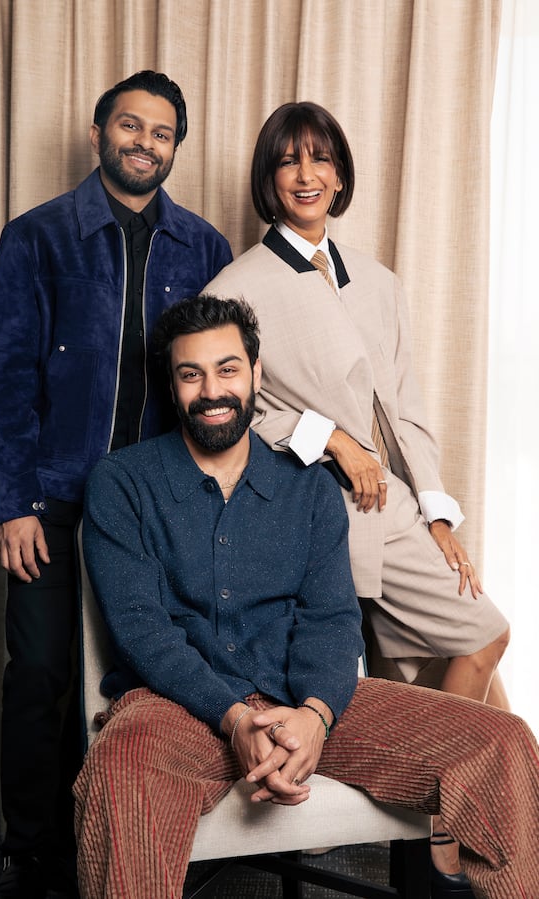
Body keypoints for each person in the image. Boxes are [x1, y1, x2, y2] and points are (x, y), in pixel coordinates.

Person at [74, 295, 538, 899]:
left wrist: (317, 715)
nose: (212, 390)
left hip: (304, 699)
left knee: (502, 742)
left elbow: (333, 620)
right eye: (192, 374)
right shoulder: (122, 482)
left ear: (256, 373)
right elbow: (142, 631)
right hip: (176, 708)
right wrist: (235, 716)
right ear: (172, 383)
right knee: (122, 773)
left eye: (228, 369)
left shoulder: (311, 489)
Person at [204, 102, 511, 880]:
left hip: (391, 506)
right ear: (268, 181)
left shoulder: (378, 280)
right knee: (400, 675)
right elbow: (232, 410)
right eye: (289, 161)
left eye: (321, 159)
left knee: (480, 636)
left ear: (341, 174)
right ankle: (458, 843)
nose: (306, 175)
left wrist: (437, 510)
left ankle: (451, 831)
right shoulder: (239, 284)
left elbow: (404, 406)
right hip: (311, 510)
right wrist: (329, 437)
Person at [0, 71, 232, 899]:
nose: (144, 143)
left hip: (158, 510)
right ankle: (31, 853)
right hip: (52, 498)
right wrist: (11, 502)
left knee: (149, 676)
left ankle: (132, 840)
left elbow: (224, 381)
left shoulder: (204, 247)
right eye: (131, 125)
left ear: (174, 148)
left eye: (162, 133)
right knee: (44, 672)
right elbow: (2, 378)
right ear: (97, 133)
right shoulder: (37, 237)